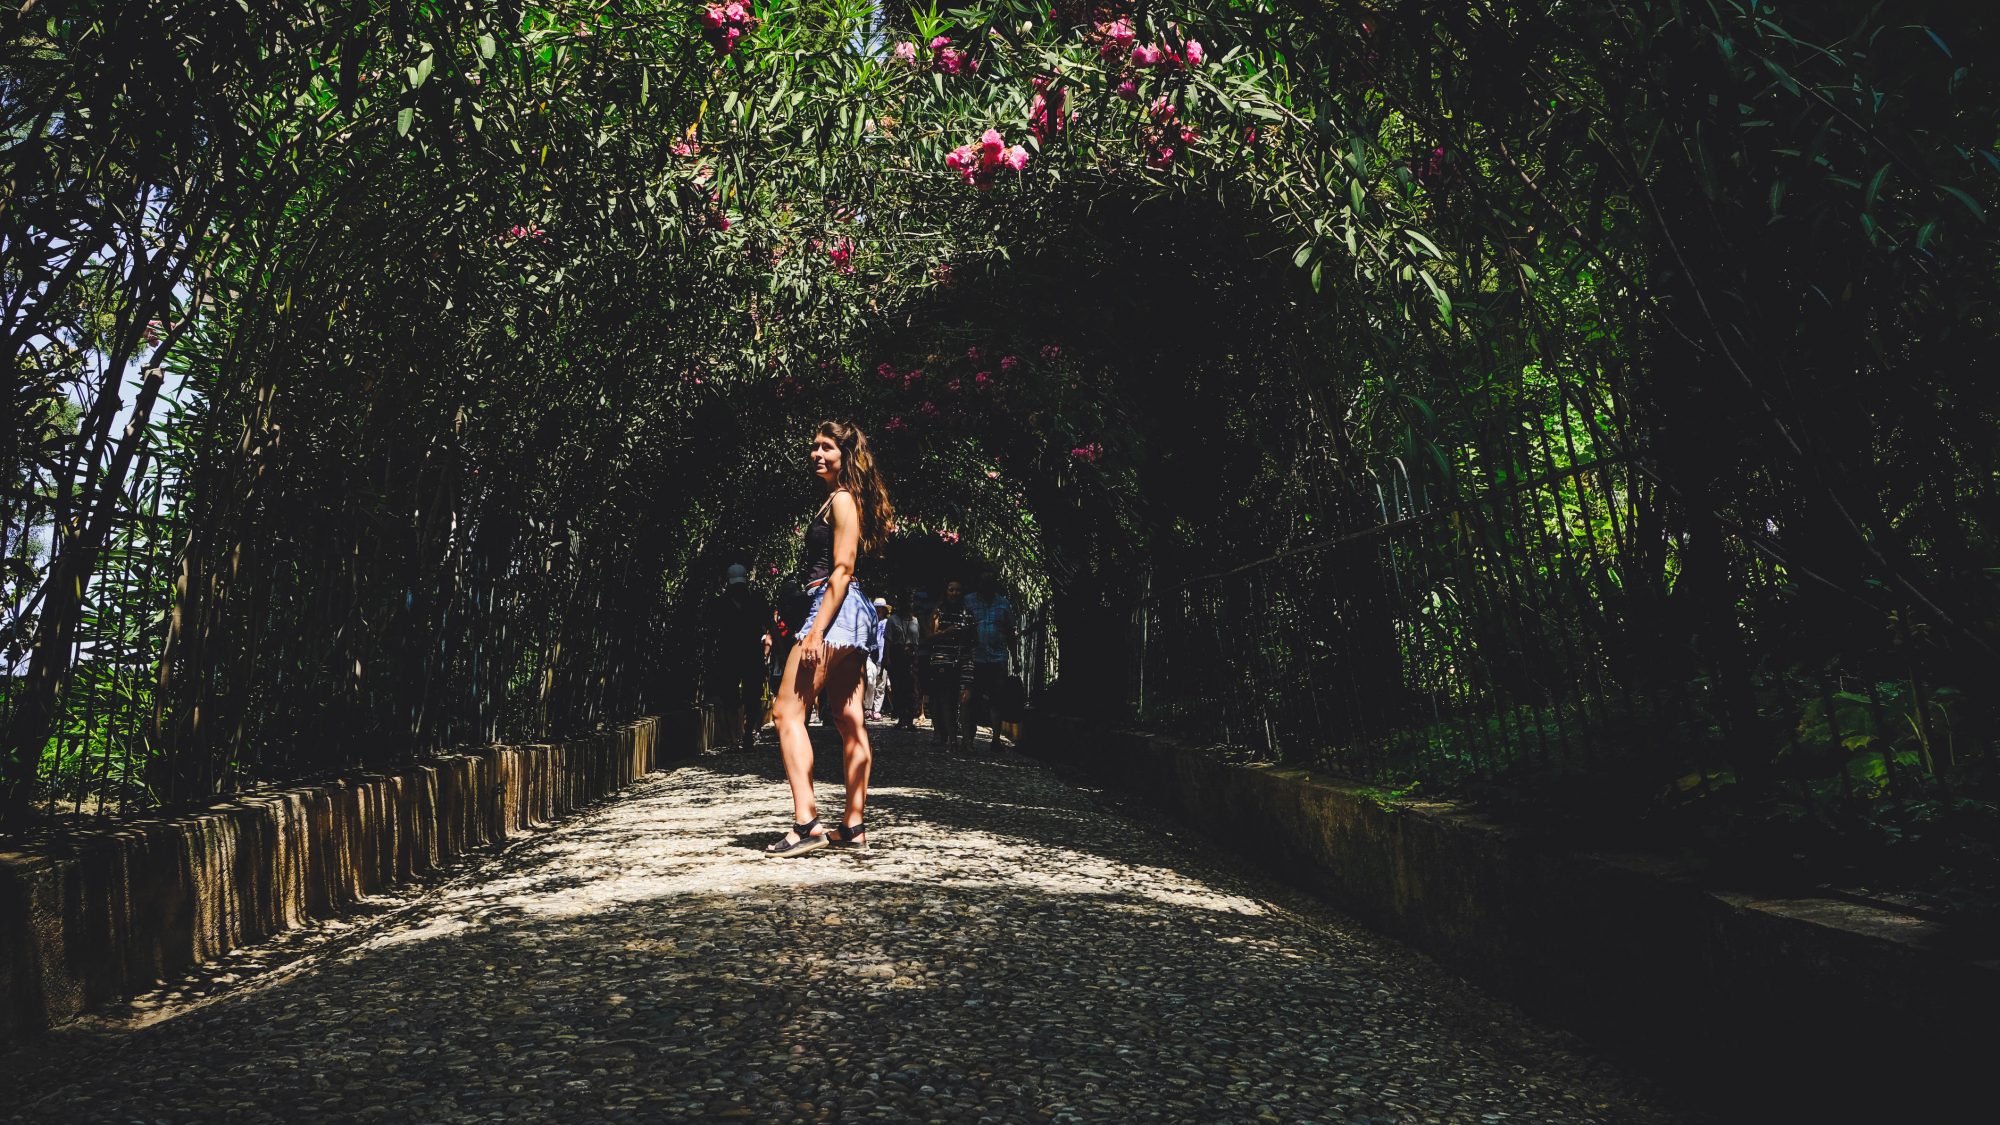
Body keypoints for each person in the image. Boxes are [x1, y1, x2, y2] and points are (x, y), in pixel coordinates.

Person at [766, 420, 894, 857]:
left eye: (827, 447)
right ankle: (853, 826)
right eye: (814, 447)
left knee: (786, 713)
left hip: (833, 609)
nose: (817, 454)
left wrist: (817, 629)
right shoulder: (838, 499)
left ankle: (806, 823)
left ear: (845, 455)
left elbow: (842, 569)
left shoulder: (841, 500)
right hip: (850, 613)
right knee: (847, 718)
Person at [709, 564, 770, 752]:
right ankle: (735, 737)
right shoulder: (724, 603)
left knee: (751, 696)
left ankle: (745, 734)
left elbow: (770, 625)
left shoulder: (753, 601)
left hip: (742, 655)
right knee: (731, 697)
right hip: (734, 656)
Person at [963, 571, 1015, 749]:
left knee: (997, 699)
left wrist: (1015, 658)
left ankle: (996, 738)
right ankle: (969, 737)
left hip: (997, 657)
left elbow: (1010, 632)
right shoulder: (969, 601)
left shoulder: (1003, 603)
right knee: (973, 697)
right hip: (975, 657)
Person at [927, 578, 972, 750]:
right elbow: (930, 636)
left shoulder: (966, 612)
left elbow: (971, 639)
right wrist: (947, 632)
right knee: (944, 700)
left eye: (958, 590)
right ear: (946, 591)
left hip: (960, 660)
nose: (954, 593)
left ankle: (957, 738)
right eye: (951, 589)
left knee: (957, 700)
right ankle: (949, 738)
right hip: (941, 660)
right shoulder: (939, 611)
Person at [883, 599, 921, 729]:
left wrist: (915, 655)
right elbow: (887, 641)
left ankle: (909, 719)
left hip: (911, 655)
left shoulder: (915, 621)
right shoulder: (892, 620)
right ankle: (900, 718)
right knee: (898, 687)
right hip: (897, 654)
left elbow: (917, 641)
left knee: (911, 688)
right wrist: (887, 658)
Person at [864, 597, 891, 720]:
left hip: (883, 656)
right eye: (876, 608)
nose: (879, 610)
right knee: (870, 681)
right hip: (870, 656)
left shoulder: (888, 623)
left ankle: (877, 710)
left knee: (881, 685)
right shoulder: (869, 622)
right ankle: (868, 708)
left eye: (881, 608)